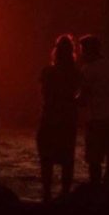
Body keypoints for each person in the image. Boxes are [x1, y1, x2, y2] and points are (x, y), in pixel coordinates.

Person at [36, 35, 81, 201]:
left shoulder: (47, 72)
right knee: (67, 158)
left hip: (49, 116)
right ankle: (65, 193)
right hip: (68, 118)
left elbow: (42, 94)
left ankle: (47, 193)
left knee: (46, 157)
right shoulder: (76, 73)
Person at [77, 34, 109, 186]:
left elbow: (83, 97)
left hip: (96, 119)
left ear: (88, 50)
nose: (81, 54)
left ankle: (95, 188)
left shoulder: (88, 70)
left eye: (82, 50)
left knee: (94, 159)